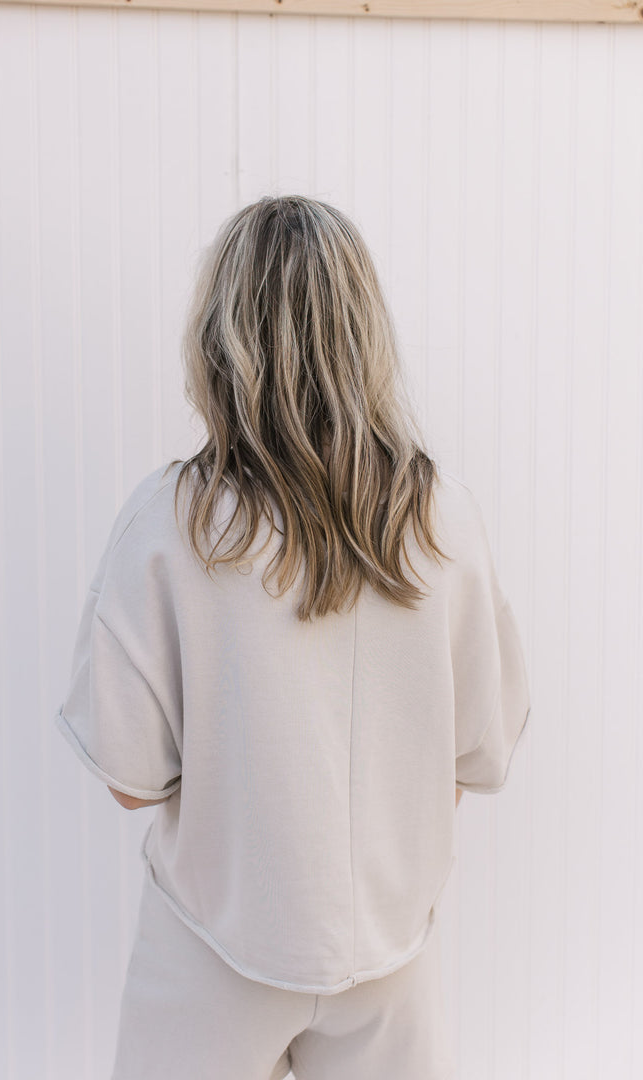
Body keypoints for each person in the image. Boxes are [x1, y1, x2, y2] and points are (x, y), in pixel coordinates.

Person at [54, 194, 531, 1080]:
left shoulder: (169, 524)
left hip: (212, 945)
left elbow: (129, 781)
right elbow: (473, 758)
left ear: (219, 340)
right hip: (392, 956)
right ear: (364, 335)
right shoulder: (443, 522)